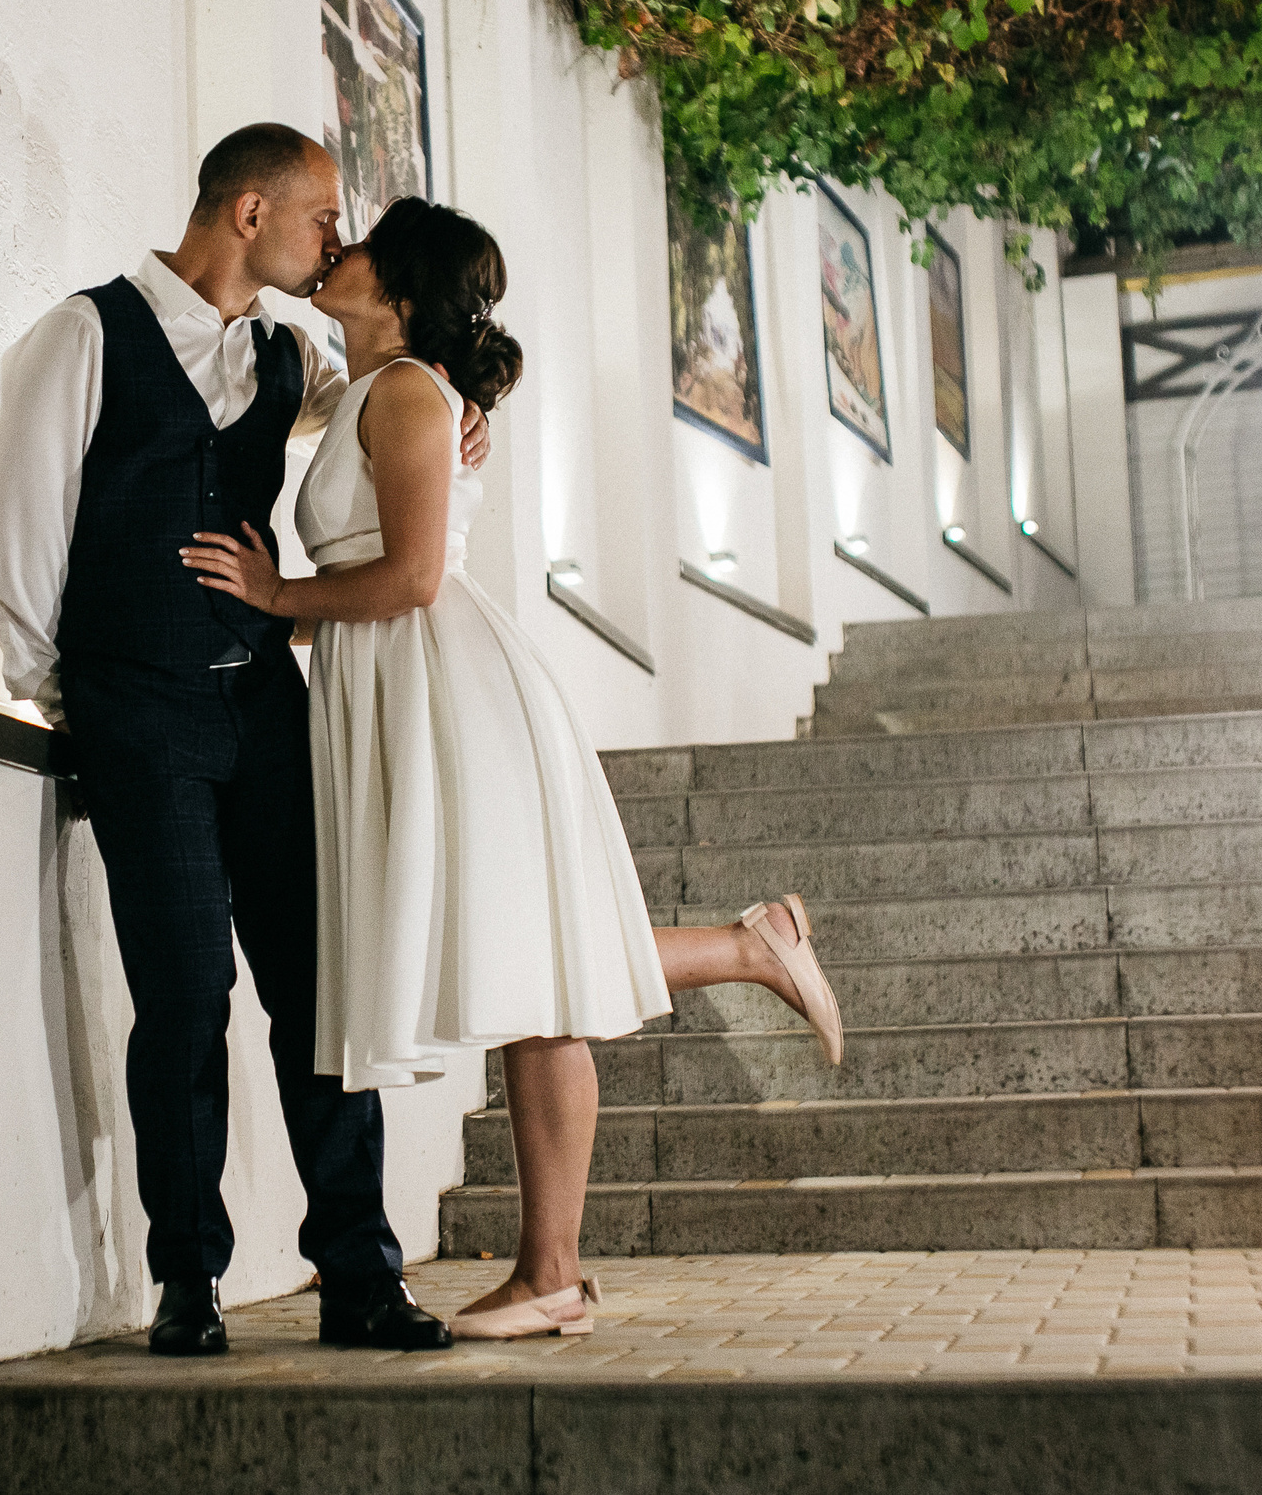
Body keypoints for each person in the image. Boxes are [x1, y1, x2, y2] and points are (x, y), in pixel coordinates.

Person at [181, 197, 846, 1341]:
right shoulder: (378, 387)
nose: (336, 251)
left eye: (360, 247)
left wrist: (277, 595)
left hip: (446, 689)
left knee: (534, 971)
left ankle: (552, 1269)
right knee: (527, 963)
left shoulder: (400, 392)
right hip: (404, 683)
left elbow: (414, 578)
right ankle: (737, 959)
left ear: (396, 291)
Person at [0, 125, 489, 1357]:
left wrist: (458, 404)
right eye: (325, 218)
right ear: (251, 211)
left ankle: (359, 1274)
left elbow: (385, 392)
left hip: (266, 708)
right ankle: (185, 1279)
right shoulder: (81, 334)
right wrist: (71, 692)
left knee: (318, 992)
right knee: (184, 997)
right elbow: (20, 524)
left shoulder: (287, 352)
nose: (337, 242)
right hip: (138, 711)